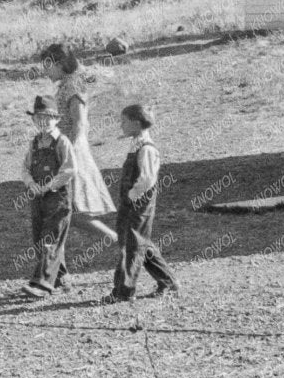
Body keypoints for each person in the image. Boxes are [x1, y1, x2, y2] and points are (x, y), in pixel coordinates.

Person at [46, 42, 118, 278]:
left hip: (73, 153)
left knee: (71, 213)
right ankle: (58, 271)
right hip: (65, 151)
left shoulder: (73, 85)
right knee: (62, 213)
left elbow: (80, 123)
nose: (45, 71)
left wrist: (71, 153)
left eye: (47, 65)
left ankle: (122, 243)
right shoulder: (67, 85)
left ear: (58, 63)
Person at [108, 100, 179, 302]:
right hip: (129, 203)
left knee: (131, 247)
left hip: (139, 205)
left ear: (137, 123)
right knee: (141, 244)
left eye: (124, 121)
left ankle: (123, 290)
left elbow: (147, 179)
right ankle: (168, 280)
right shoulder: (135, 145)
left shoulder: (147, 149)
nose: (121, 125)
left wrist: (131, 196)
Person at [20, 94, 75, 299]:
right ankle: (62, 278)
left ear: (57, 119)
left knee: (50, 240)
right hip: (37, 199)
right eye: (38, 118)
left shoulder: (62, 142)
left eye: (47, 117)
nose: (42, 122)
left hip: (58, 198)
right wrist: (31, 184)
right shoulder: (34, 143)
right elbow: (25, 168)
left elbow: (69, 170)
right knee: (39, 239)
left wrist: (48, 187)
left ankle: (42, 285)